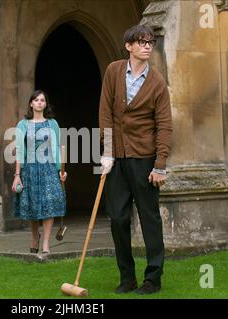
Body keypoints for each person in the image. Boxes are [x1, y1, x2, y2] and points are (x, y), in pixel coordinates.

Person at [99, 24, 172, 295]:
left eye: (150, 42)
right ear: (128, 46)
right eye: (141, 42)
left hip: (145, 159)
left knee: (149, 219)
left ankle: (153, 278)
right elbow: (105, 111)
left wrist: (160, 164)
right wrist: (107, 150)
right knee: (117, 218)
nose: (147, 46)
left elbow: (164, 125)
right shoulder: (113, 71)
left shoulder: (158, 83)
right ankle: (126, 277)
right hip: (116, 158)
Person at [12, 90, 67, 255]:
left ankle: (45, 244)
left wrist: (61, 170)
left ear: (46, 104)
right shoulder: (22, 125)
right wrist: (17, 175)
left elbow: (57, 148)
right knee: (33, 206)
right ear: (31, 103)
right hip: (29, 170)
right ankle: (35, 236)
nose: (39, 103)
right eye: (36, 100)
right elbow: (20, 151)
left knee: (49, 204)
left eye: (42, 100)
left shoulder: (52, 124)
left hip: (49, 168)